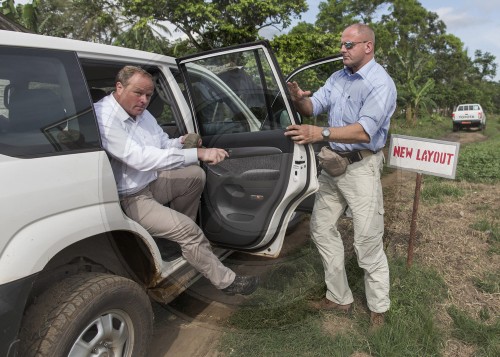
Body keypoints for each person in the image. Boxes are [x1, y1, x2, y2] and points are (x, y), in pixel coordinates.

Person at [95, 65, 258, 296]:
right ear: (119, 87)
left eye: (149, 95)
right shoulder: (105, 117)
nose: (144, 100)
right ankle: (227, 282)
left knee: (195, 176)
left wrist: (181, 142)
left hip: (150, 182)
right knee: (189, 231)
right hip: (129, 197)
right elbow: (139, 158)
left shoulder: (140, 112)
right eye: (138, 93)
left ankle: (179, 241)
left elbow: (161, 143)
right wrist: (197, 154)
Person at [285, 23, 396, 327]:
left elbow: (363, 131)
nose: (342, 49)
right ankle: (338, 297)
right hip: (333, 165)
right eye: (342, 44)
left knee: (367, 240)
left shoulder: (380, 83)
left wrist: (318, 132)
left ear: (367, 47)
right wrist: (298, 98)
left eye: (349, 44)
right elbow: (312, 107)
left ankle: (378, 310)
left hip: (361, 167)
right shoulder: (337, 78)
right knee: (321, 228)